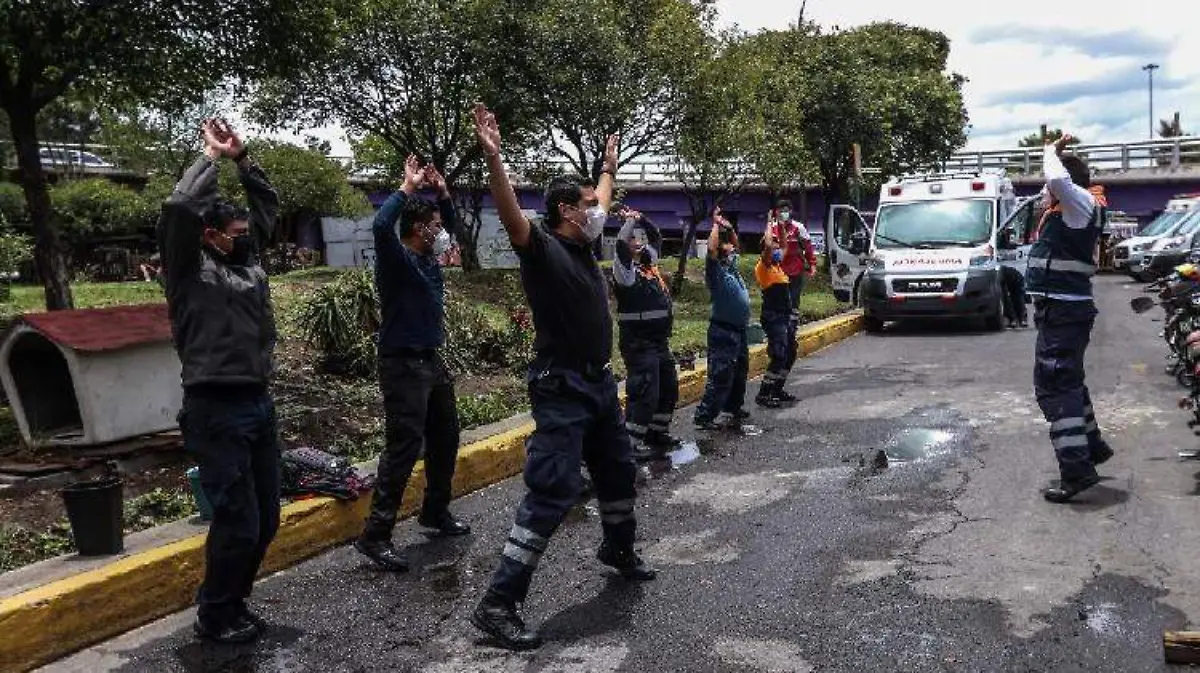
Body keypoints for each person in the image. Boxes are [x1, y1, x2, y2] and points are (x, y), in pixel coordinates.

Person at [469, 103, 656, 651]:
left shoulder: (582, 243)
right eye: (587, 205)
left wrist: (609, 165)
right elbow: (511, 215)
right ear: (564, 211)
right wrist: (495, 160)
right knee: (553, 490)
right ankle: (498, 604)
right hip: (561, 388)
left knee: (618, 473)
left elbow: (604, 196)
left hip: (598, 385)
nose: (598, 210)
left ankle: (617, 549)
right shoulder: (542, 248)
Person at [157, 119, 281, 644]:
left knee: (266, 518)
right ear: (210, 236)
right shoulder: (187, 271)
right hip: (215, 409)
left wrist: (243, 159)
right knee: (237, 520)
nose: (246, 238)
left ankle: (234, 601)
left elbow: (267, 207)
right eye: (236, 233)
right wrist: (209, 157)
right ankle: (214, 613)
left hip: (258, 404)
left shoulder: (249, 264)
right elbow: (180, 208)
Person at [353, 155, 471, 573]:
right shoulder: (398, 260)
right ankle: (375, 534)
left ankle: (435, 512)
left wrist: (442, 193)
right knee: (403, 449)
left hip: (430, 361)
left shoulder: (428, 261)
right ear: (419, 229)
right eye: (435, 226)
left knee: (446, 438)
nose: (442, 233)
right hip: (402, 365)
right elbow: (381, 226)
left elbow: (452, 228)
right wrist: (407, 187)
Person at [1025, 133, 1113, 503]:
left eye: (1049, 187)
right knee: (1069, 381)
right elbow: (1054, 185)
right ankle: (1092, 447)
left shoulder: (1079, 203)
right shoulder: (1070, 208)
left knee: (1055, 386)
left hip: (1064, 311)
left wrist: (1050, 151)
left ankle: (1077, 471)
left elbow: (1058, 179)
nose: (1046, 192)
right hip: (1061, 309)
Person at [612, 205, 680, 461]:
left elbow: (656, 237)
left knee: (668, 387)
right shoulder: (624, 271)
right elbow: (621, 244)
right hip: (639, 343)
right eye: (633, 238)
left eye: (638, 237)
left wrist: (641, 219)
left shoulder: (649, 266)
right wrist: (629, 222)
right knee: (644, 391)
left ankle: (657, 433)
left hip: (659, 342)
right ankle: (630, 443)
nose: (637, 241)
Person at [693, 207, 752, 430]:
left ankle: (732, 407)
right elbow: (711, 248)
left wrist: (730, 227)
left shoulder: (731, 267)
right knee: (720, 374)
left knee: (739, 372)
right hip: (723, 330)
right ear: (720, 251)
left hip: (739, 330)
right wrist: (716, 224)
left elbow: (737, 246)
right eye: (726, 244)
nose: (731, 246)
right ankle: (704, 416)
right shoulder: (715, 271)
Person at [755, 224, 799, 408]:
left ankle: (777, 389)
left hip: (784, 316)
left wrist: (780, 224)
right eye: (773, 246)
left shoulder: (777, 266)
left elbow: (784, 244)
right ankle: (764, 393)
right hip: (773, 317)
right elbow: (768, 246)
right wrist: (768, 223)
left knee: (790, 352)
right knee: (779, 354)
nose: (776, 248)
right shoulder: (763, 267)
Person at [768, 199, 817, 317]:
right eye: (780, 211)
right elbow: (767, 248)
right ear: (776, 212)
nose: (783, 213)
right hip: (778, 271)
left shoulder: (798, 228)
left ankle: (792, 322)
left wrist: (812, 264)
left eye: (785, 211)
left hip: (795, 270)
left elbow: (808, 247)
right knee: (779, 301)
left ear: (790, 211)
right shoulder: (772, 228)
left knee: (793, 301)